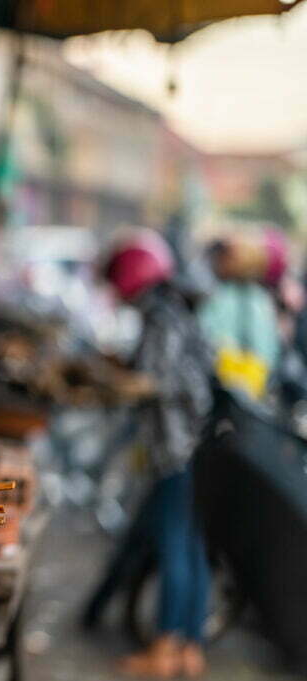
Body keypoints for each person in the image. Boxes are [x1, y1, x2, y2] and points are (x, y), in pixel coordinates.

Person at [101, 230, 215, 678]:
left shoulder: (162, 314)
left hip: (178, 451)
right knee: (194, 548)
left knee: (175, 548)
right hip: (199, 449)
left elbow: (156, 381)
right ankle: (191, 649)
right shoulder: (177, 308)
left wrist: (107, 386)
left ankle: (166, 650)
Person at [197, 233, 281, 401]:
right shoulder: (260, 299)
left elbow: (204, 335)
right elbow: (269, 352)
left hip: (222, 387)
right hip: (250, 391)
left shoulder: (220, 297)